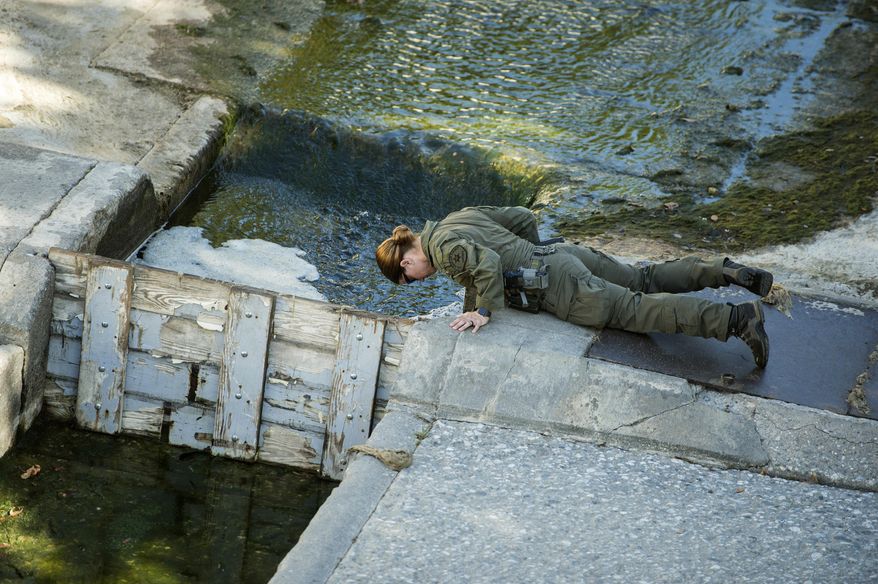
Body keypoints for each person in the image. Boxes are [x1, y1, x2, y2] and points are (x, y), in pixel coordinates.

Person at [375, 206, 772, 368]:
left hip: (556, 284)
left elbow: (489, 265)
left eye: (409, 277)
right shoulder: (453, 220)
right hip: (560, 255)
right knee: (642, 278)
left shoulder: (441, 250)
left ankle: (736, 320)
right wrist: (537, 250)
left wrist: (484, 311)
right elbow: (520, 217)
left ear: (407, 261)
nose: (417, 280)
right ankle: (722, 271)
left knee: (633, 309)